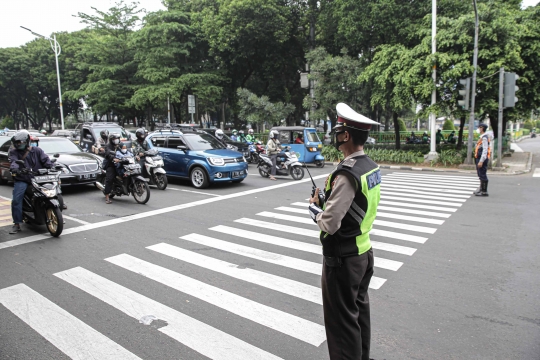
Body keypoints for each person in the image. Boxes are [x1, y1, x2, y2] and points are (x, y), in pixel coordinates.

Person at [308, 102, 381, 360]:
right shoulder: (369, 167)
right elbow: (357, 204)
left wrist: (315, 210)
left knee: (341, 324)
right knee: (359, 313)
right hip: (363, 252)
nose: (335, 134)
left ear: (346, 135)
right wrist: (327, 197)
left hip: (343, 259)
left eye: (338, 130)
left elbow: (330, 223)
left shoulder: (347, 174)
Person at [8, 130, 53, 234]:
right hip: (23, 179)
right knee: (16, 200)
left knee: (52, 190)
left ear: (26, 141)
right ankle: (17, 223)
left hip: (38, 178)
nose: (18, 145)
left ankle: (57, 209)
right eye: (17, 143)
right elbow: (14, 162)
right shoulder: (14, 152)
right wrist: (15, 169)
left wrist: (52, 166)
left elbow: (46, 160)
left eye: (20, 142)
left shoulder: (37, 150)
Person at [103, 133, 121, 204]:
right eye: (114, 139)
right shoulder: (108, 146)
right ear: (111, 140)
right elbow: (108, 153)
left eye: (117, 139)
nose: (116, 140)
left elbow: (125, 150)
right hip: (111, 164)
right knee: (109, 179)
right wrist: (113, 158)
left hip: (119, 163)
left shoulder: (119, 145)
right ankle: (107, 196)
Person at [474, 123, 490, 196]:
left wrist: (481, 161)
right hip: (478, 157)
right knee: (480, 174)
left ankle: (484, 191)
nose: (478, 129)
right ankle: (481, 189)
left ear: (482, 128)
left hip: (482, 159)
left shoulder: (484, 138)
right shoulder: (482, 137)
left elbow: (485, 150)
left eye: (479, 127)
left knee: (482, 174)